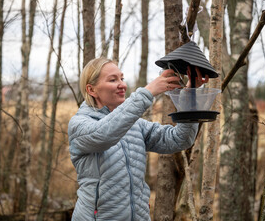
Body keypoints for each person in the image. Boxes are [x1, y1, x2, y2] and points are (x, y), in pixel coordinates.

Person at [68, 57, 208, 221]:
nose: (122, 84)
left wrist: (189, 97)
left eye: (122, 78)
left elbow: (179, 140)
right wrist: (147, 92)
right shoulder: (79, 125)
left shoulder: (135, 125)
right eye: (113, 80)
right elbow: (105, 134)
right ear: (91, 90)